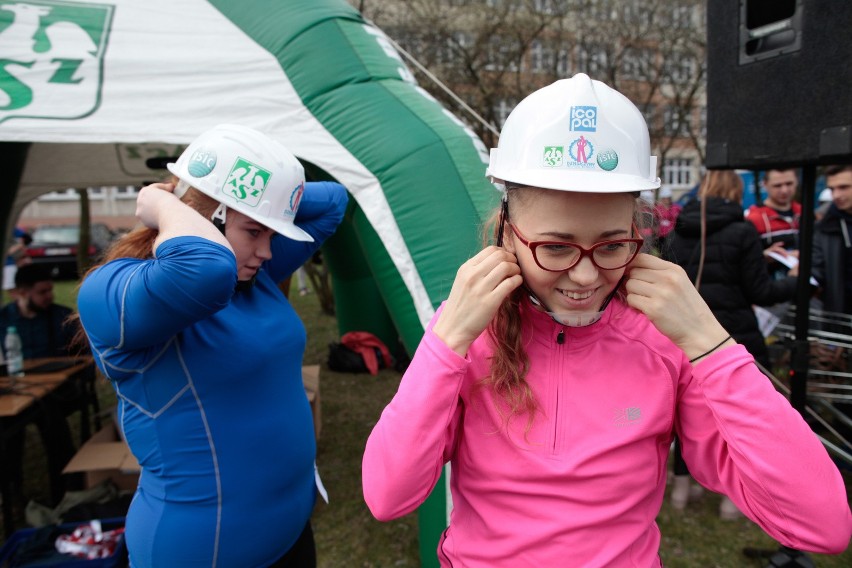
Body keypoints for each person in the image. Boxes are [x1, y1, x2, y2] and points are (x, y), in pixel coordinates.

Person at [361, 74, 851, 567]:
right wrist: (446, 342)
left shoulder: (663, 343)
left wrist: (713, 347)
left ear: (639, 230)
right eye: (555, 247)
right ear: (508, 233)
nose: (586, 274)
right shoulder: (469, 333)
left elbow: (820, 524)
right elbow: (389, 496)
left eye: (613, 245)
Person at [75, 124, 348, 568]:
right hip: (202, 551)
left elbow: (333, 201)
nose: (265, 251)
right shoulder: (114, 289)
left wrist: (253, 195)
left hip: (290, 534)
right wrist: (166, 202)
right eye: (254, 231)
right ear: (208, 217)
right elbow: (203, 271)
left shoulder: (248, 273)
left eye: (270, 235)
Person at [662, 170, 798, 519]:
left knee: (685, 412)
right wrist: (795, 281)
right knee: (735, 415)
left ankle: (681, 489)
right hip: (731, 333)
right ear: (737, 193)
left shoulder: (678, 230)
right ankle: (732, 499)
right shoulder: (742, 230)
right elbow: (760, 292)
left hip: (682, 333)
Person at [0, 263, 79, 505]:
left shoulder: (61, 317)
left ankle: (64, 489)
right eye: (42, 292)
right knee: (8, 434)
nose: (49, 297)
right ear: (23, 292)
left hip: (51, 392)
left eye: (50, 290)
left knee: (52, 422)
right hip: (17, 391)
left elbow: (81, 356)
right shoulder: (4, 320)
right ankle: (12, 491)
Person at [745, 169, 801, 279]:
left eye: (789, 184)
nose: (784, 190)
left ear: (796, 181)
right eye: (777, 185)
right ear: (765, 185)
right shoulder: (753, 218)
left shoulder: (804, 213)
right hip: (770, 286)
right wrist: (764, 255)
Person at [812, 164, 852, 316]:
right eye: (832, 189)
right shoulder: (823, 227)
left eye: (843, 187)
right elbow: (817, 270)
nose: (836, 195)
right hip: (840, 316)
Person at [653, 185, 681, 250]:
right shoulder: (658, 208)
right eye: (664, 198)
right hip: (661, 234)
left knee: (671, 250)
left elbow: (680, 219)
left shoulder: (676, 208)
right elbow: (654, 220)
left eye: (667, 198)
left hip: (672, 234)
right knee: (662, 251)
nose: (665, 200)